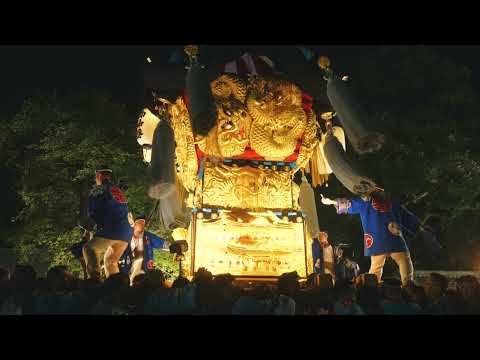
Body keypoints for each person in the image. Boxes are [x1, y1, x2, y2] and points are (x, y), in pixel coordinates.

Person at [321, 189, 419, 285]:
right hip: (393, 237)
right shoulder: (390, 202)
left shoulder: (366, 202)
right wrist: (418, 226)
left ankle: (373, 286)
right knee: (403, 261)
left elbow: (349, 204)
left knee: (377, 266)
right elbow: (408, 218)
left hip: (378, 239)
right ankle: (407, 284)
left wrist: (332, 202)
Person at [82, 165, 133, 280]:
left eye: (96, 176)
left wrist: (88, 227)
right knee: (110, 261)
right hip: (127, 230)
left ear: (99, 175)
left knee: (89, 248)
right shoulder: (117, 189)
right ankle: (116, 285)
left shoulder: (99, 189)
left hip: (114, 228)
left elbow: (94, 212)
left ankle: (95, 280)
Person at [118, 215, 170, 285]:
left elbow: (160, 242)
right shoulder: (125, 237)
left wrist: (172, 247)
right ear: (134, 224)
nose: (142, 226)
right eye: (140, 223)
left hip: (144, 272)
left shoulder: (147, 236)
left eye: (143, 224)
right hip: (127, 272)